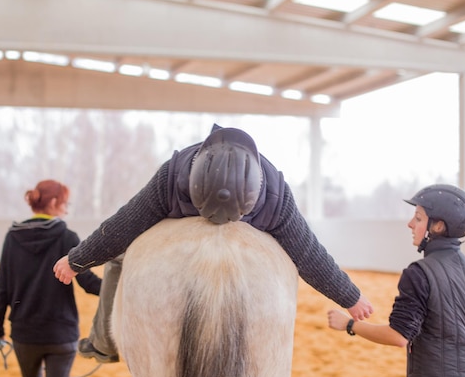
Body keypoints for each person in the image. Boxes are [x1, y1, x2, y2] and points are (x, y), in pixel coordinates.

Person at [54, 125, 374, 364]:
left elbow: (121, 228)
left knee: (120, 259)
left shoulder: (275, 194)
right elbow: (308, 254)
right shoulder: (172, 178)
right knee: (118, 253)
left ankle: (104, 343)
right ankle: (105, 340)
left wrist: (349, 295)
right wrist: (79, 259)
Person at [328, 184, 465, 377]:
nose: (410, 224)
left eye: (418, 218)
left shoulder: (418, 273)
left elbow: (399, 336)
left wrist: (350, 325)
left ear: (438, 226)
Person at [0, 179, 102, 377]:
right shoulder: (67, 237)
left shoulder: (12, 238)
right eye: (65, 203)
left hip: (24, 333)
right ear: (53, 203)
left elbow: (3, 289)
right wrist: (117, 291)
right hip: (61, 335)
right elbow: (88, 283)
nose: (66, 208)